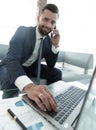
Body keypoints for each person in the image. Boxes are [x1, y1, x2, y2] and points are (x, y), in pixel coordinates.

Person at [0, 3, 62, 112]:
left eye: (52, 22)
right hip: (10, 65)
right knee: (9, 75)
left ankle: (50, 100)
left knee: (57, 72)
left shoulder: (48, 41)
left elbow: (51, 65)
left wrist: (55, 45)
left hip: (30, 68)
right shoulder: (23, 31)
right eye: (46, 19)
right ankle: (9, 109)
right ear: (38, 18)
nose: (48, 25)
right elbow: (12, 59)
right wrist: (29, 86)